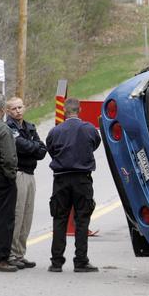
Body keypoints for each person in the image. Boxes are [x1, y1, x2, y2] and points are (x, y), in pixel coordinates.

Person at [45, 98, 101, 272]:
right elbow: (95, 144)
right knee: (82, 220)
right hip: (82, 179)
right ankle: (81, 260)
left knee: (59, 218)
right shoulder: (89, 129)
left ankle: (56, 262)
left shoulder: (55, 131)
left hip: (61, 179)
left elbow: (51, 149)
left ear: (65, 111)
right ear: (80, 110)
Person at [6, 97, 47, 270]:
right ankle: (11, 253)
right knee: (18, 213)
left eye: (20, 107)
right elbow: (22, 146)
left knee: (28, 215)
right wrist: (33, 147)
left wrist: (33, 148)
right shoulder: (9, 128)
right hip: (19, 173)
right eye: (14, 109)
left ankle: (21, 253)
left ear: (25, 107)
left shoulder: (30, 126)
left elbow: (42, 150)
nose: (18, 111)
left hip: (31, 174)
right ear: (8, 111)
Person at [0, 94, 19, 272]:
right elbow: (9, 158)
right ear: (2, 110)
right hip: (1, 178)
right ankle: (0, 258)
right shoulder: (3, 129)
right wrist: (11, 176)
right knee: (4, 218)